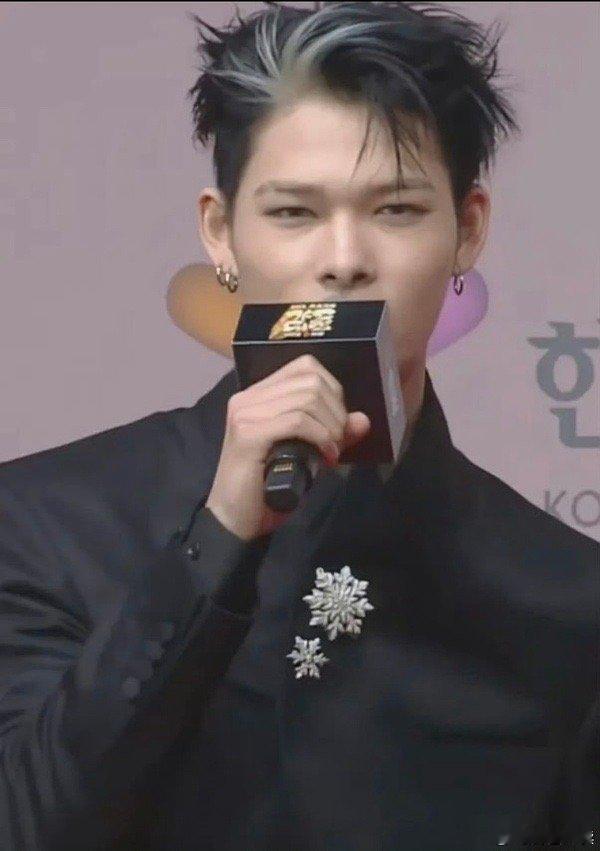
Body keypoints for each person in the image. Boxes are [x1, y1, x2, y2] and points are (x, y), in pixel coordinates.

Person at [0, 2, 597, 849]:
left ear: (468, 230)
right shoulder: (44, 522)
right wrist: (221, 535)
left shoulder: (566, 596)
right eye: (293, 213)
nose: (344, 260)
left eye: (395, 210)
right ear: (221, 233)